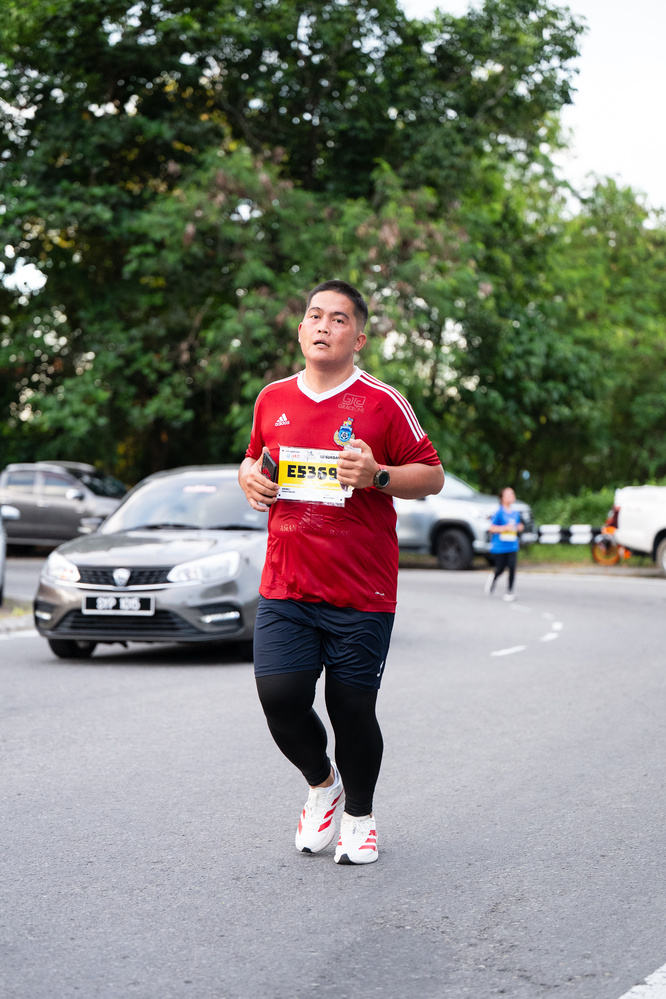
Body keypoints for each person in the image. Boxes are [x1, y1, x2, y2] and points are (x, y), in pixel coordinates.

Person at [238, 279, 444, 865]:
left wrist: (378, 476)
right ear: (302, 329)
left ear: (358, 337)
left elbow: (432, 475)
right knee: (280, 699)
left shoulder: (382, 402)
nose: (324, 326)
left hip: (362, 589)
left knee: (351, 710)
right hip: (287, 584)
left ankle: (359, 817)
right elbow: (255, 458)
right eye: (315, 316)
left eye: (338, 318)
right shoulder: (272, 398)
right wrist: (247, 475)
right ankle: (322, 784)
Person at [485, 486, 524, 601]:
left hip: (512, 545)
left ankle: (509, 592)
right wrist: (504, 528)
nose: (511, 496)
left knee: (512, 567)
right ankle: (494, 578)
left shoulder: (515, 513)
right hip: (500, 546)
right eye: (508, 494)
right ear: (502, 498)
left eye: (512, 494)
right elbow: (491, 528)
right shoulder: (499, 512)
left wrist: (519, 527)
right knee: (500, 569)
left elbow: (518, 525)